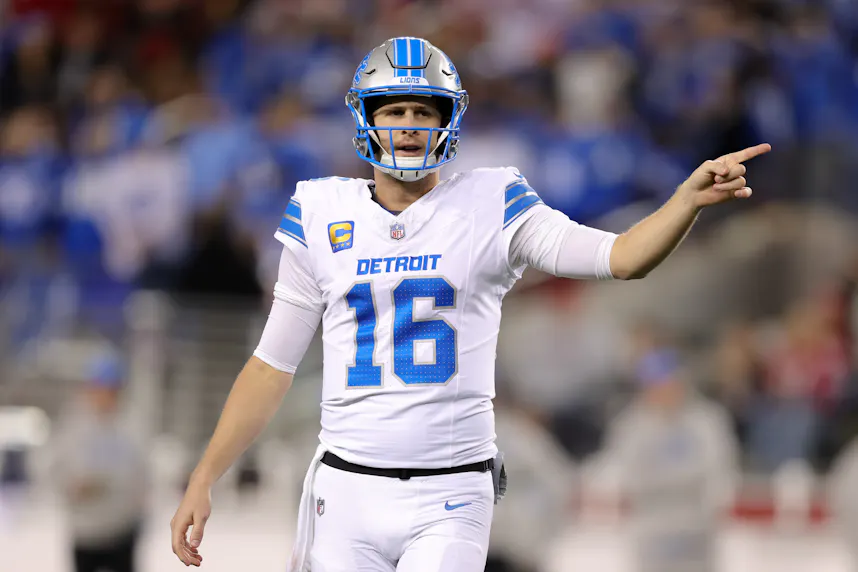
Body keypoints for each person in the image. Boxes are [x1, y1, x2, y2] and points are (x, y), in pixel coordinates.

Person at [169, 36, 771, 571]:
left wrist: (683, 204)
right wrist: (205, 475)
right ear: (366, 120)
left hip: (450, 490)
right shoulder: (322, 212)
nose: (408, 123)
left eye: (423, 110)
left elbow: (620, 257)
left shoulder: (492, 202)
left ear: (449, 120)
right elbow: (272, 364)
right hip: (343, 487)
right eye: (394, 109)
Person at [602, 348, 740, 572]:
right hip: (650, 526)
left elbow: (719, 468)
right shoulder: (630, 426)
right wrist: (679, 480)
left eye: (670, 384)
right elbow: (629, 478)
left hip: (698, 524)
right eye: (656, 386)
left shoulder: (707, 420)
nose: (664, 392)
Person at [53, 351, 149, 572]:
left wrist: (106, 485)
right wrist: (72, 487)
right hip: (85, 531)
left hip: (121, 530)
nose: (103, 395)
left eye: (110, 389)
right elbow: (53, 468)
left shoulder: (132, 424)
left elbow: (142, 474)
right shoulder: (73, 424)